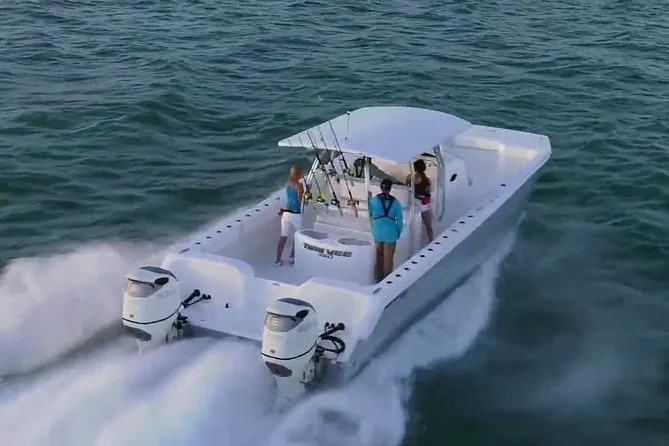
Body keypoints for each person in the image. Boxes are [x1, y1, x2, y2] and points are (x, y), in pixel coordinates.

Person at [368, 178, 404, 283]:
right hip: (391, 234)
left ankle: (377, 280)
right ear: (390, 189)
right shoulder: (396, 203)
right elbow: (400, 221)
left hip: (378, 233)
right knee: (388, 260)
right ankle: (387, 281)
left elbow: (370, 214)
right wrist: (398, 232)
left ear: (381, 188)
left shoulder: (373, 201)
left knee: (379, 258)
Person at [275, 165, 304, 266]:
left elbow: (291, 198)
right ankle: (292, 257)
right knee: (299, 235)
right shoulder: (299, 185)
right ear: (299, 174)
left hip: (286, 213)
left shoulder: (288, 184)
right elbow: (300, 200)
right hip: (295, 214)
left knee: (283, 237)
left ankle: (278, 260)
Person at [406, 159, 434, 242]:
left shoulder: (410, 177)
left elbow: (407, 187)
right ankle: (431, 240)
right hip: (425, 202)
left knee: (412, 224)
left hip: (416, 202)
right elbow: (428, 191)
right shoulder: (427, 179)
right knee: (428, 225)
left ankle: (413, 241)